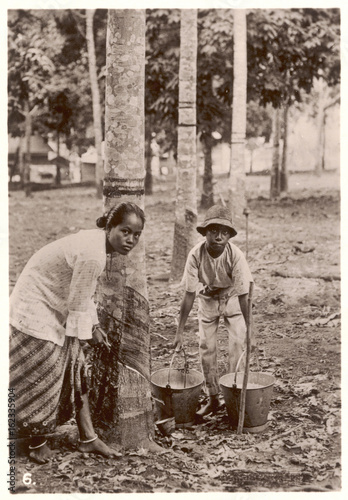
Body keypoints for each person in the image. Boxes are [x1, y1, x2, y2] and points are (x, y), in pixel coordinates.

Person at [9, 202, 145, 463]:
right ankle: (37, 442)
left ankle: (88, 438)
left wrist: (92, 328)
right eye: (125, 231)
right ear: (109, 227)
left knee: (77, 367)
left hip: (52, 305)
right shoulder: (93, 255)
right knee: (44, 375)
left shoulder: (97, 246)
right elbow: (77, 303)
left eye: (136, 235)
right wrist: (89, 335)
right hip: (34, 306)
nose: (130, 240)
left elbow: (84, 296)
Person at [173, 204, 254, 417]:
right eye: (213, 231)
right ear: (205, 232)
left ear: (229, 236)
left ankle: (234, 398)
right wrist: (179, 331)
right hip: (207, 299)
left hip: (232, 299)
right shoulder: (195, 255)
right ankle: (213, 398)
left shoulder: (235, 256)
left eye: (224, 232)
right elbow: (189, 294)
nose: (218, 237)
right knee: (206, 348)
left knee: (237, 346)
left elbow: (244, 295)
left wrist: (250, 329)